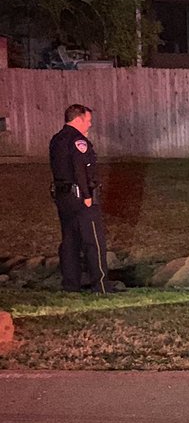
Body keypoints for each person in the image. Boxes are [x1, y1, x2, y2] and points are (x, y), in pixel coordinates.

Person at [49, 104, 108, 294]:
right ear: (78, 119)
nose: (89, 125)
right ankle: (101, 286)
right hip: (80, 198)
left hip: (63, 198)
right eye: (88, 120)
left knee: (69, 242)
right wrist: (87, 195)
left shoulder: (57, 139)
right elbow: (79, 169)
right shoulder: (78, 141)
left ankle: (70, 285)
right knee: (94, 241)